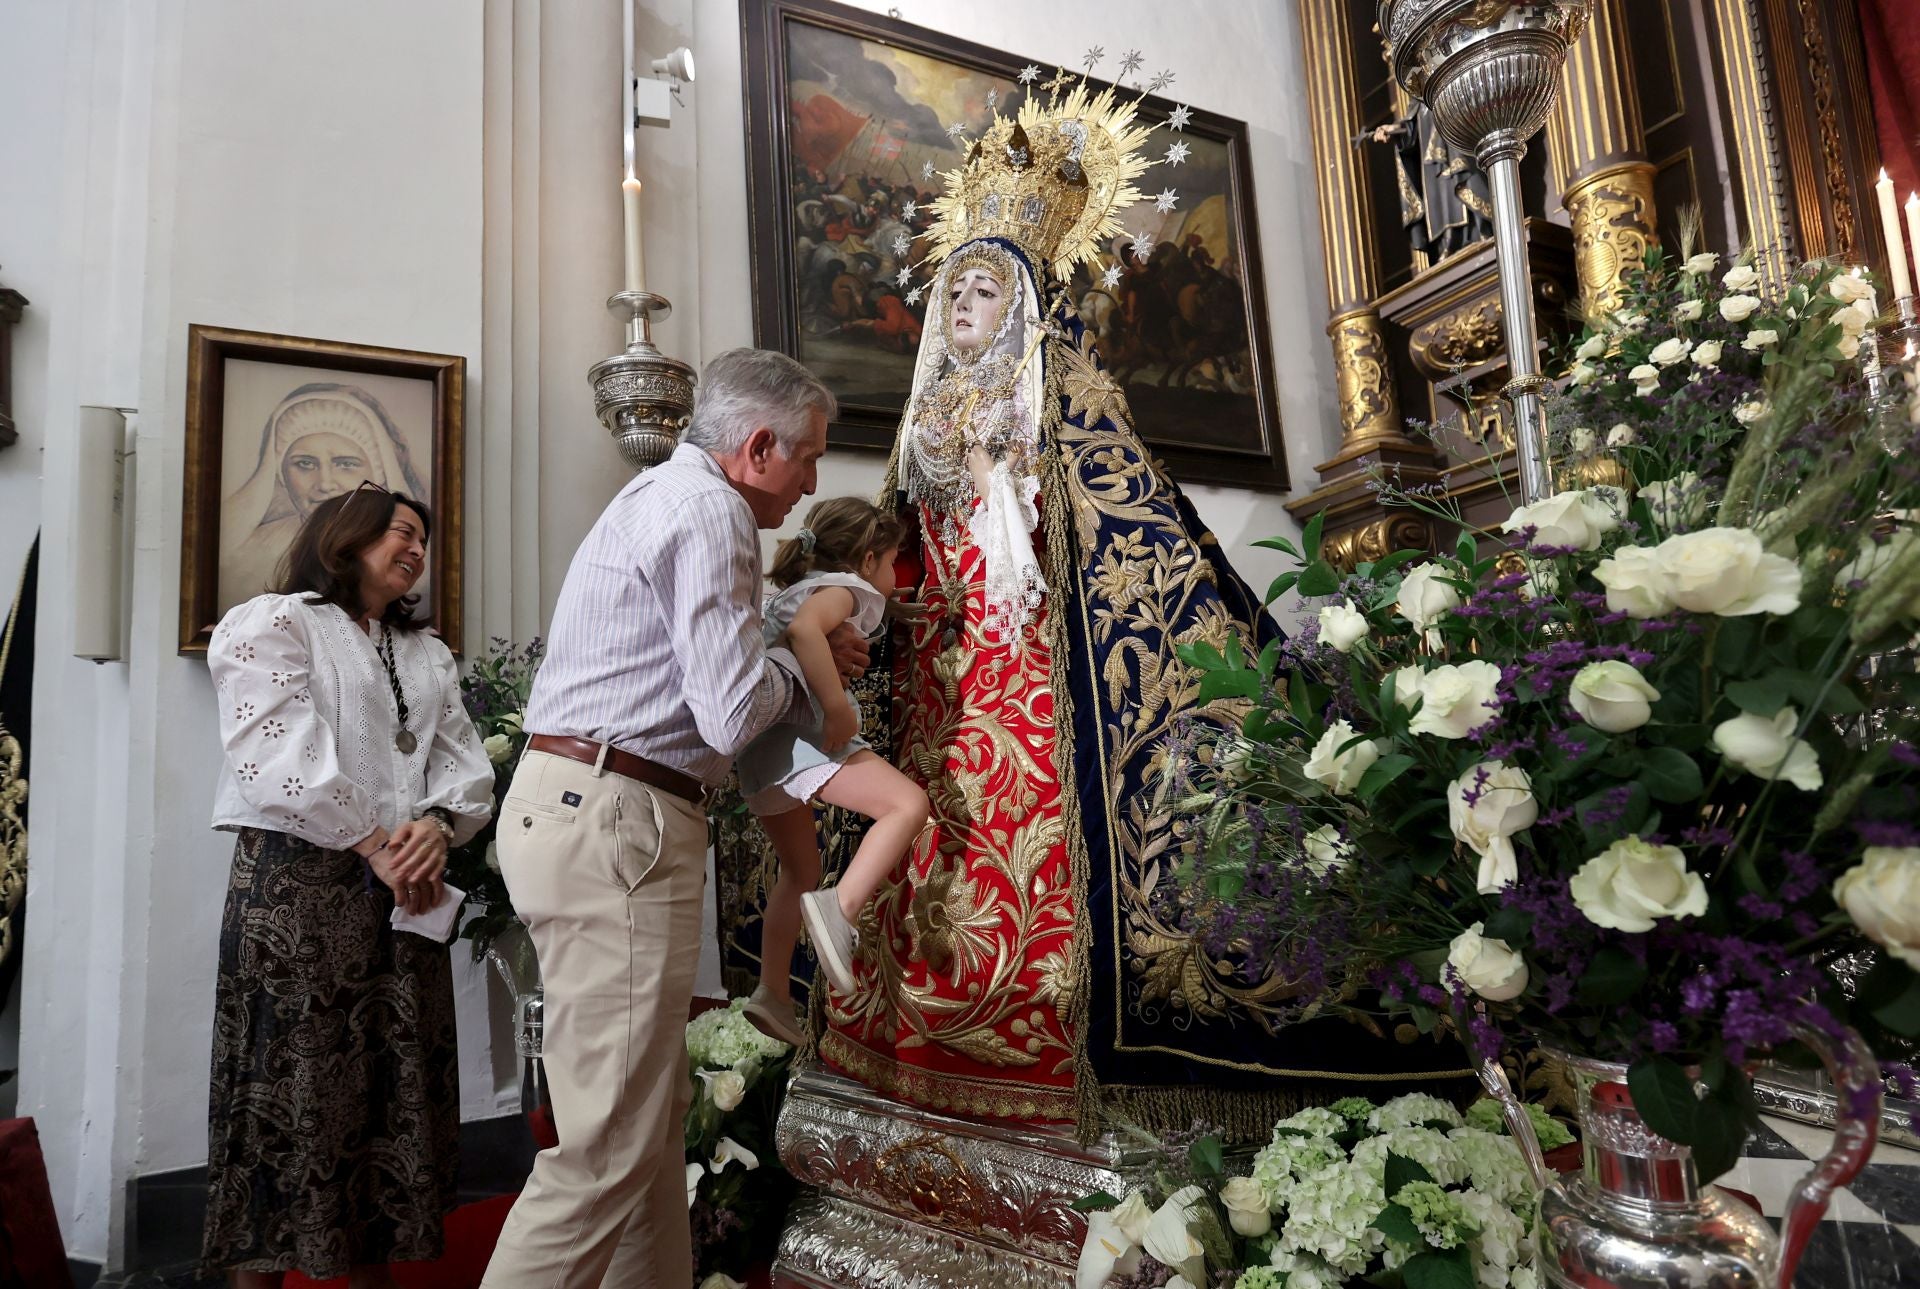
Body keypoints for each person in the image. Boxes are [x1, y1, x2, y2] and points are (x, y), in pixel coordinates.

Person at [800, 78, 1471, 1129]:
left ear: (1022, 304)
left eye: (983, 294)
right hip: (943, 665)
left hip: (1039, 656)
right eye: (953, 295)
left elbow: (1126, 526)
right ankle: (908, 1025)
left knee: (1050, 847)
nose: (962, 309)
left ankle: (1054, 1029)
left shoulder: (1058, 397)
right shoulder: (925, 417)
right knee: (926, 831)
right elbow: (899, 544)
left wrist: (1011, 464)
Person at [481, 348, 871, 1289]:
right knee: (605, 1150)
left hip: (585, 805)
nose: (813, 482)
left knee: (645, 1132)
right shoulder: (711, 509)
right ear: (759, 445)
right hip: (616, 814)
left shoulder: (662, 495)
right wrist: (806, 669)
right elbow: (732, 712)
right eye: (809, 457)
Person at [202, 483, 494, 1287]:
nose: (417, 550)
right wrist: (371, 839)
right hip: (302, 894)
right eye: (402, 532)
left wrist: (434, 827)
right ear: (345, 536)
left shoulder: (427, 651)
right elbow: (274, 747)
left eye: (424, 540)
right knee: (291, 1099)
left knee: (383, 1106)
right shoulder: (277, 621)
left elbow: (464, 764)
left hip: (404, 887)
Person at [735, 497, 929, 1046]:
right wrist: (837, 705)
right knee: (908, 805)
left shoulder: (810, 586)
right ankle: (840, 911)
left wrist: (894, 611)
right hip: (804, 738)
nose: (894, 576)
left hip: (761, 754)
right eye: (893, 563)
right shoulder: (848, 590)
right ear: (867, 561)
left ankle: (772, 993)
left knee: (798, 871)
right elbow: (804, 629)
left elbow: (801, 616)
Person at [219, 383, 430, 610]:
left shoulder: (420, 638)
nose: (325, 484)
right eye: (305, 464)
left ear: (378, 474)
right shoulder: (252, 562)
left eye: (346, 464)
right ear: (281, 474)